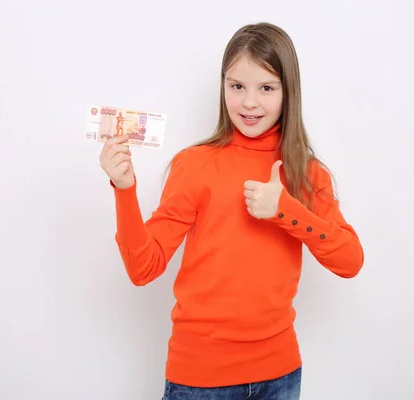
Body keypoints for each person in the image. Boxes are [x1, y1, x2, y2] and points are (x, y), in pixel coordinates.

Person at [99, 22, 364, 400]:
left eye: (266, 88)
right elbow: (144, 268)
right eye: (236, 86)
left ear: (289, 93)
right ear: (222, 86)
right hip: (199, 380)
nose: (249, 102)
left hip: (281, 375)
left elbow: (351, 260)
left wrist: (286, 210)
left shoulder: (307, 172)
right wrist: (124, 191)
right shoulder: (194, 165)